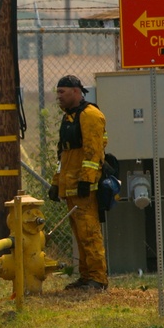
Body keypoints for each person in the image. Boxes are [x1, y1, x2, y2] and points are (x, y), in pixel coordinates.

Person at [47, 74, 108, 291]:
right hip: (70, 186)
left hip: (85, 188)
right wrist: (56, 183)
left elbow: (93, 151)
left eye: (62, 92)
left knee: (90, 234)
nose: (58, 97)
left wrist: (86, 180)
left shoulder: (90, 115)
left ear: (75, 91)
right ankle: (85, 277)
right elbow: (62, 155)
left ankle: (98, 278)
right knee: (80, 235)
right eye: (57, 92)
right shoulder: (69, 117)